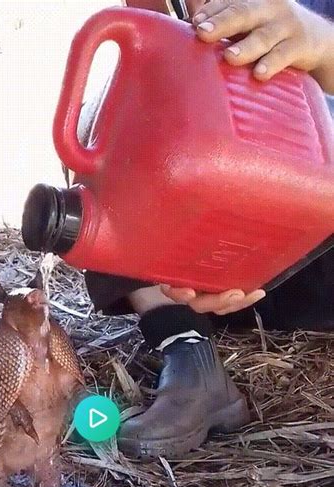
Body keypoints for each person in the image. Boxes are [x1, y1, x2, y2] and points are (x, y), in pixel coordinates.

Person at [80, 0, 334, 458]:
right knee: (113, 124)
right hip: (216, 270)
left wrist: (325, 48)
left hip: (319, 245)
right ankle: (188, 350)